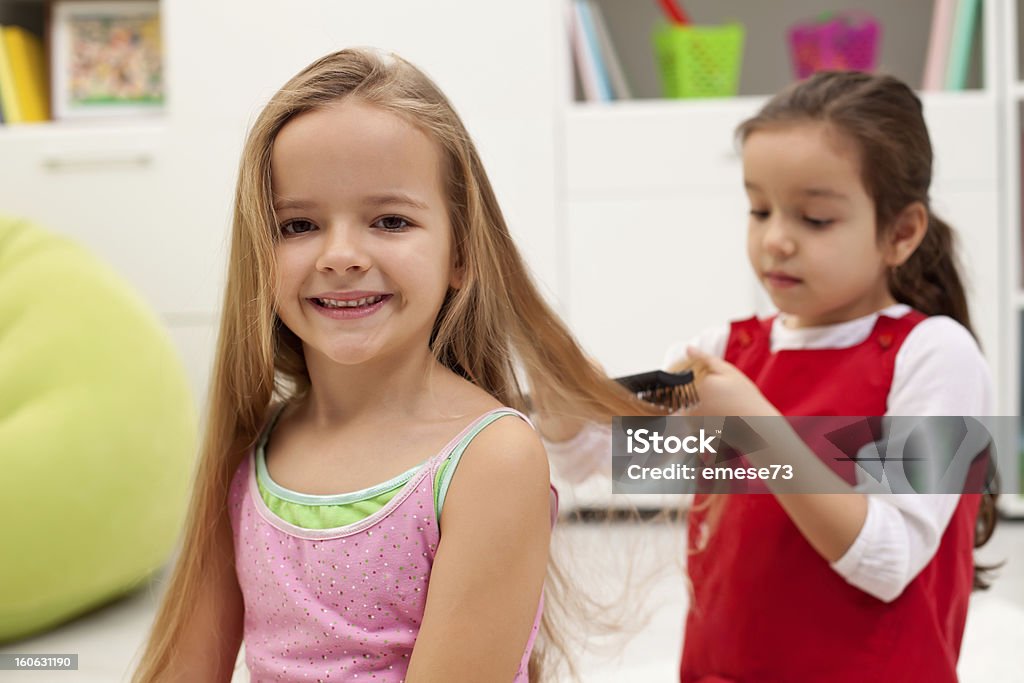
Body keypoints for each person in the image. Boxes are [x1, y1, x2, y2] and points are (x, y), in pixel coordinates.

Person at [133, 47, 655, 682]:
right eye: (297, 225)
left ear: (461, 254)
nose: (342, 255)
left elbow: (778, 456)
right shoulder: (251, 445)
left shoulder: (491, 459)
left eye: (389, 220)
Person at [540, 71, 998, 683]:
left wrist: (756, 429)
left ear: (902, 232)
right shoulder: (723, 350)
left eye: (814, 219)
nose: (776, 240)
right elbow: (603, 462)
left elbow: (889, 559)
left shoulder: (939, 357)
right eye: (760, 210)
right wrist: (566, 410)